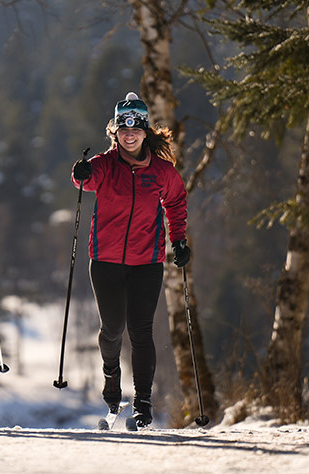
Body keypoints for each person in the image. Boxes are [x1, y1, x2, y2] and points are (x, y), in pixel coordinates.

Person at [71, 92, 190, 429]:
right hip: (106, 261)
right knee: (112, 329)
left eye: (136, 127)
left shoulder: (162, 172)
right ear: (115, 132)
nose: (130, 133)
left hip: (147, 262)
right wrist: (79, 173)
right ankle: (111, 379)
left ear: (144, 130)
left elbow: (176, 201)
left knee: (140, 330)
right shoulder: (105, 165)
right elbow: (85, 180)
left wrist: (178, 239)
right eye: (123, 127)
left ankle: (143, 403)